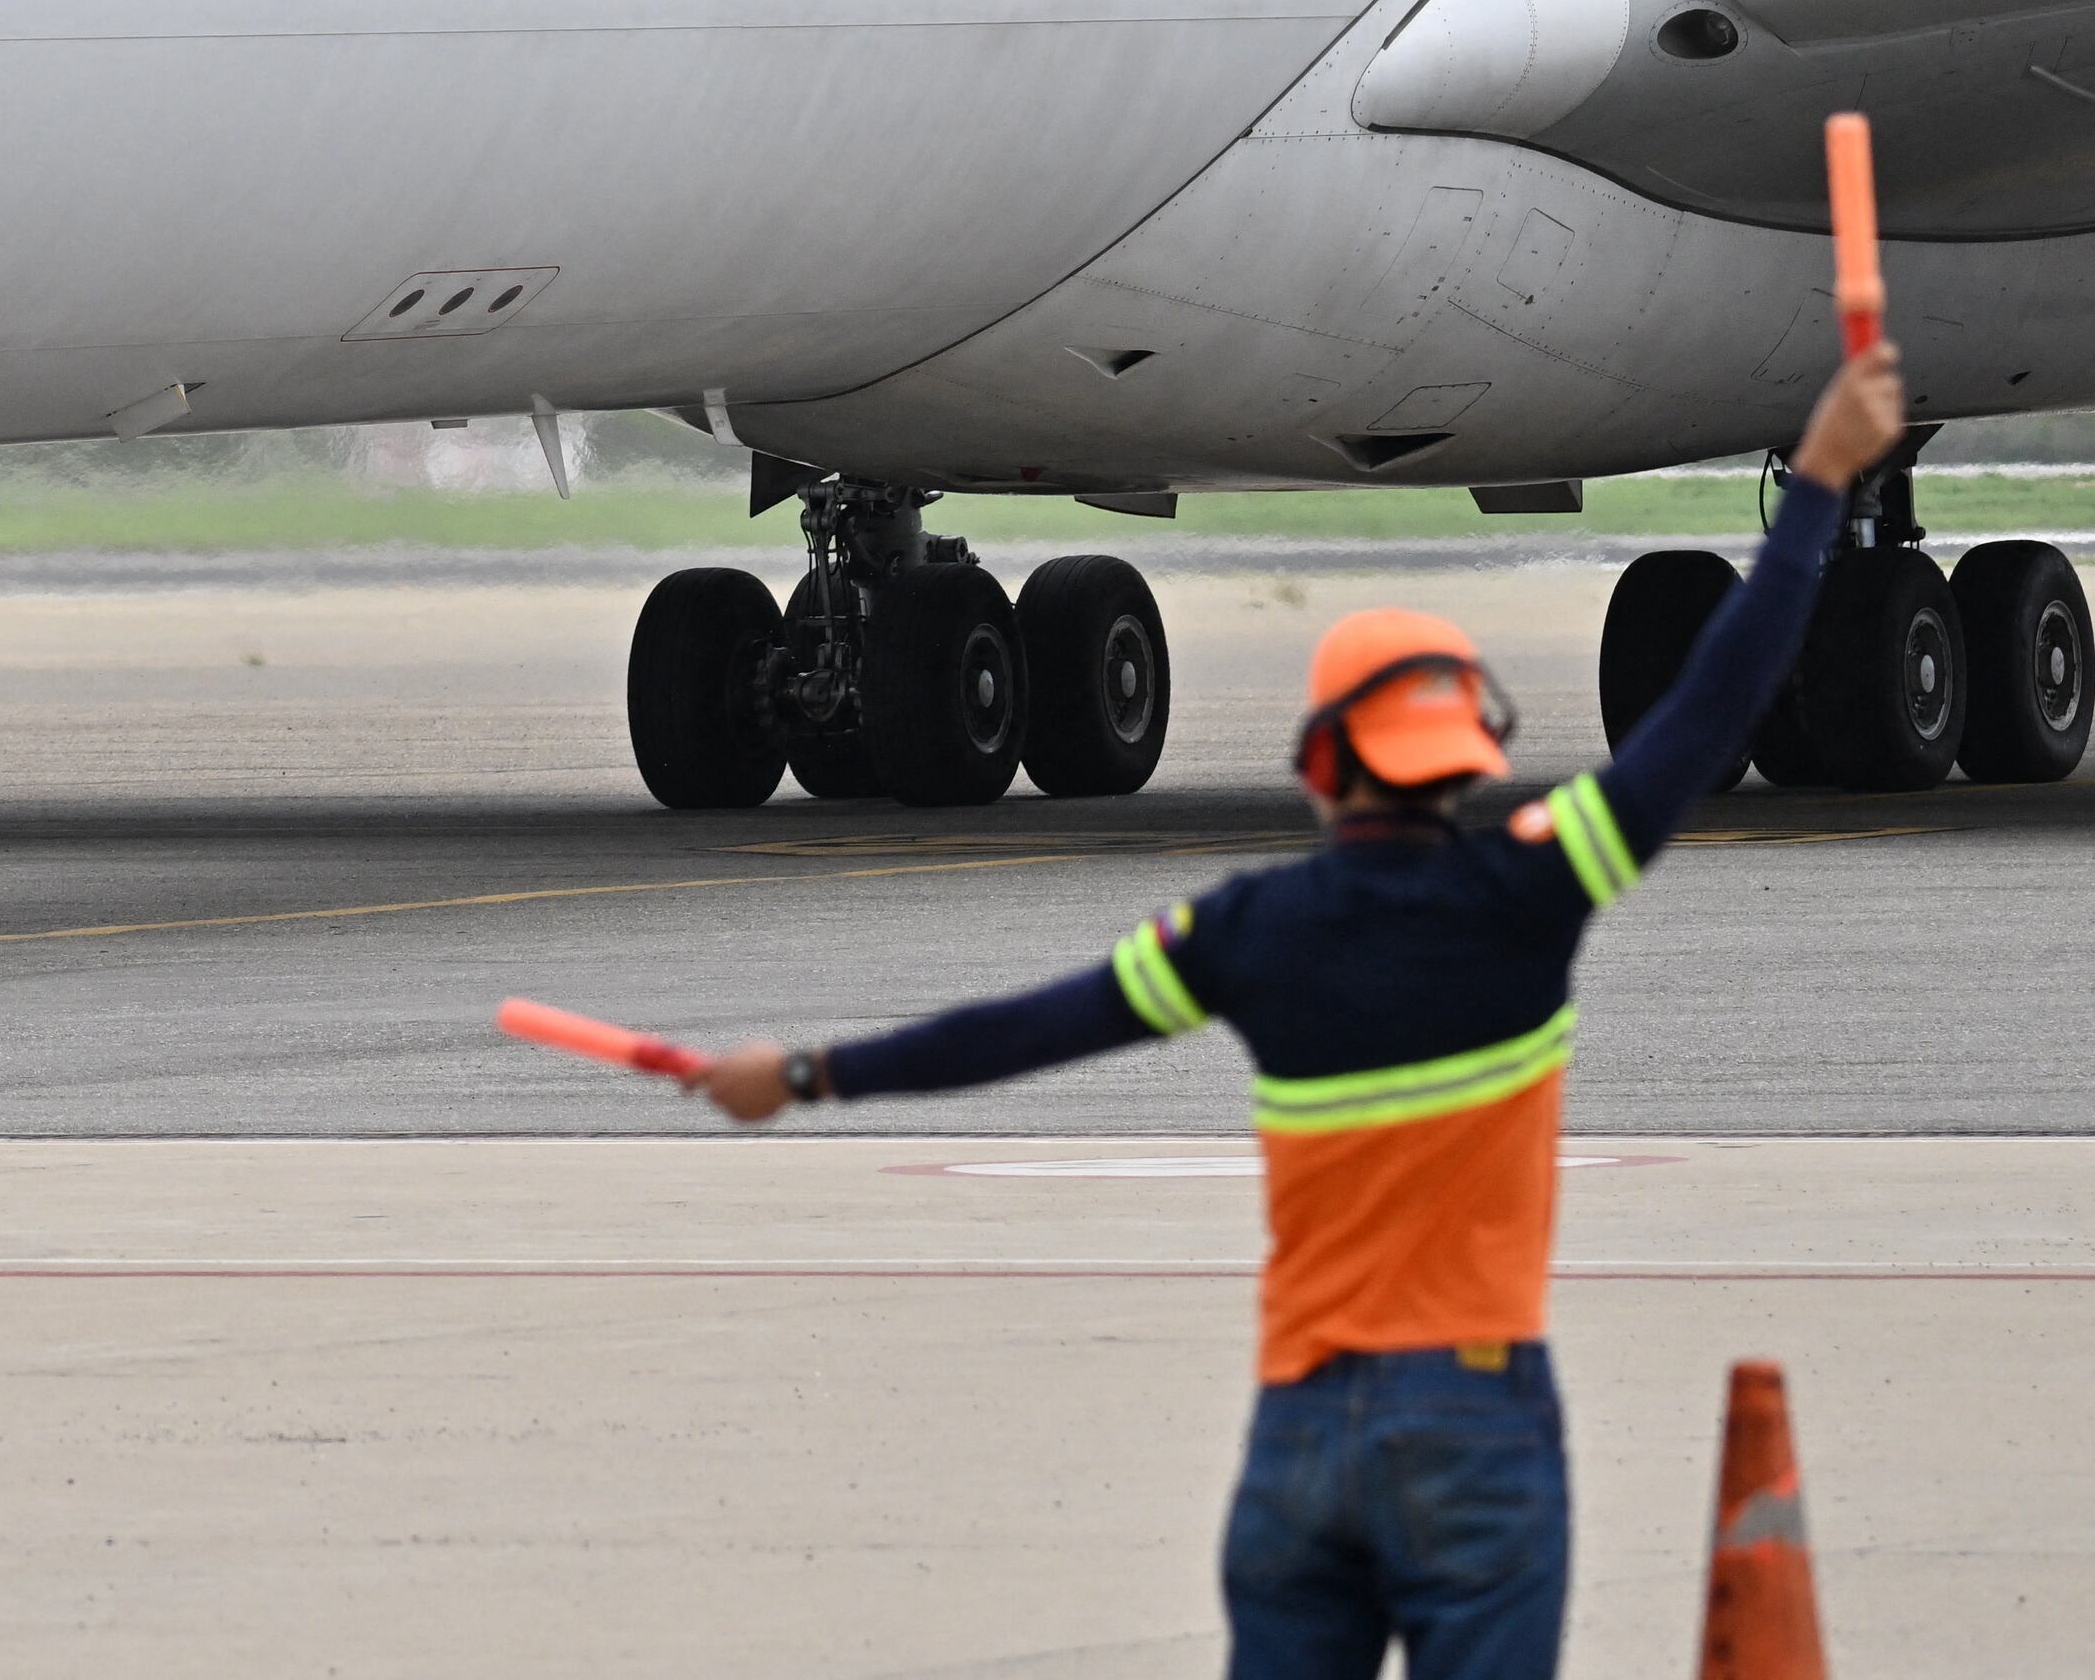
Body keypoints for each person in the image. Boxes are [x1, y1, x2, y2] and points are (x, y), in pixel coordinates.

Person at [692, 342, 1905, 1679]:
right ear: (1469, 758)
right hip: (1475, 1419)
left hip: (1303, 1431)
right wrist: (1823, 475)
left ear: (1323, 764)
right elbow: (1712, 699)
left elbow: (1021, 1029)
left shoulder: (1247, 932)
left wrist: (805, 1072)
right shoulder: (1535, 885)